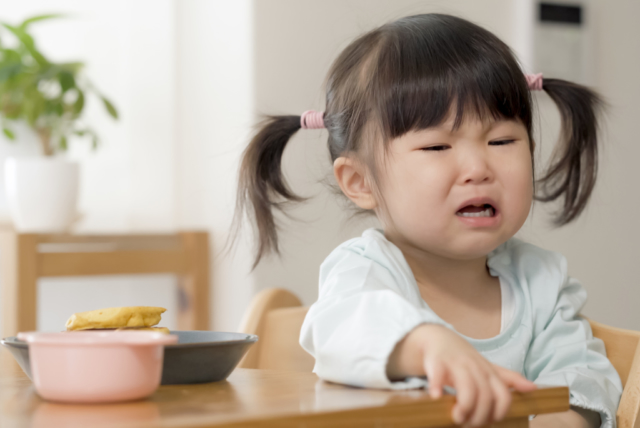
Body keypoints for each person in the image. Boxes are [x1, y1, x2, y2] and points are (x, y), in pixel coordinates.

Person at [228, 13, 623, 428]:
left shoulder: (540, 282)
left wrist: (562, 418)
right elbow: (343, 329)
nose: (477, 167)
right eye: (437, 146)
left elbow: (582, 378)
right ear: (361, 182)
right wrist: (426, 344)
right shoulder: (365, 272)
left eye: (502, 140)